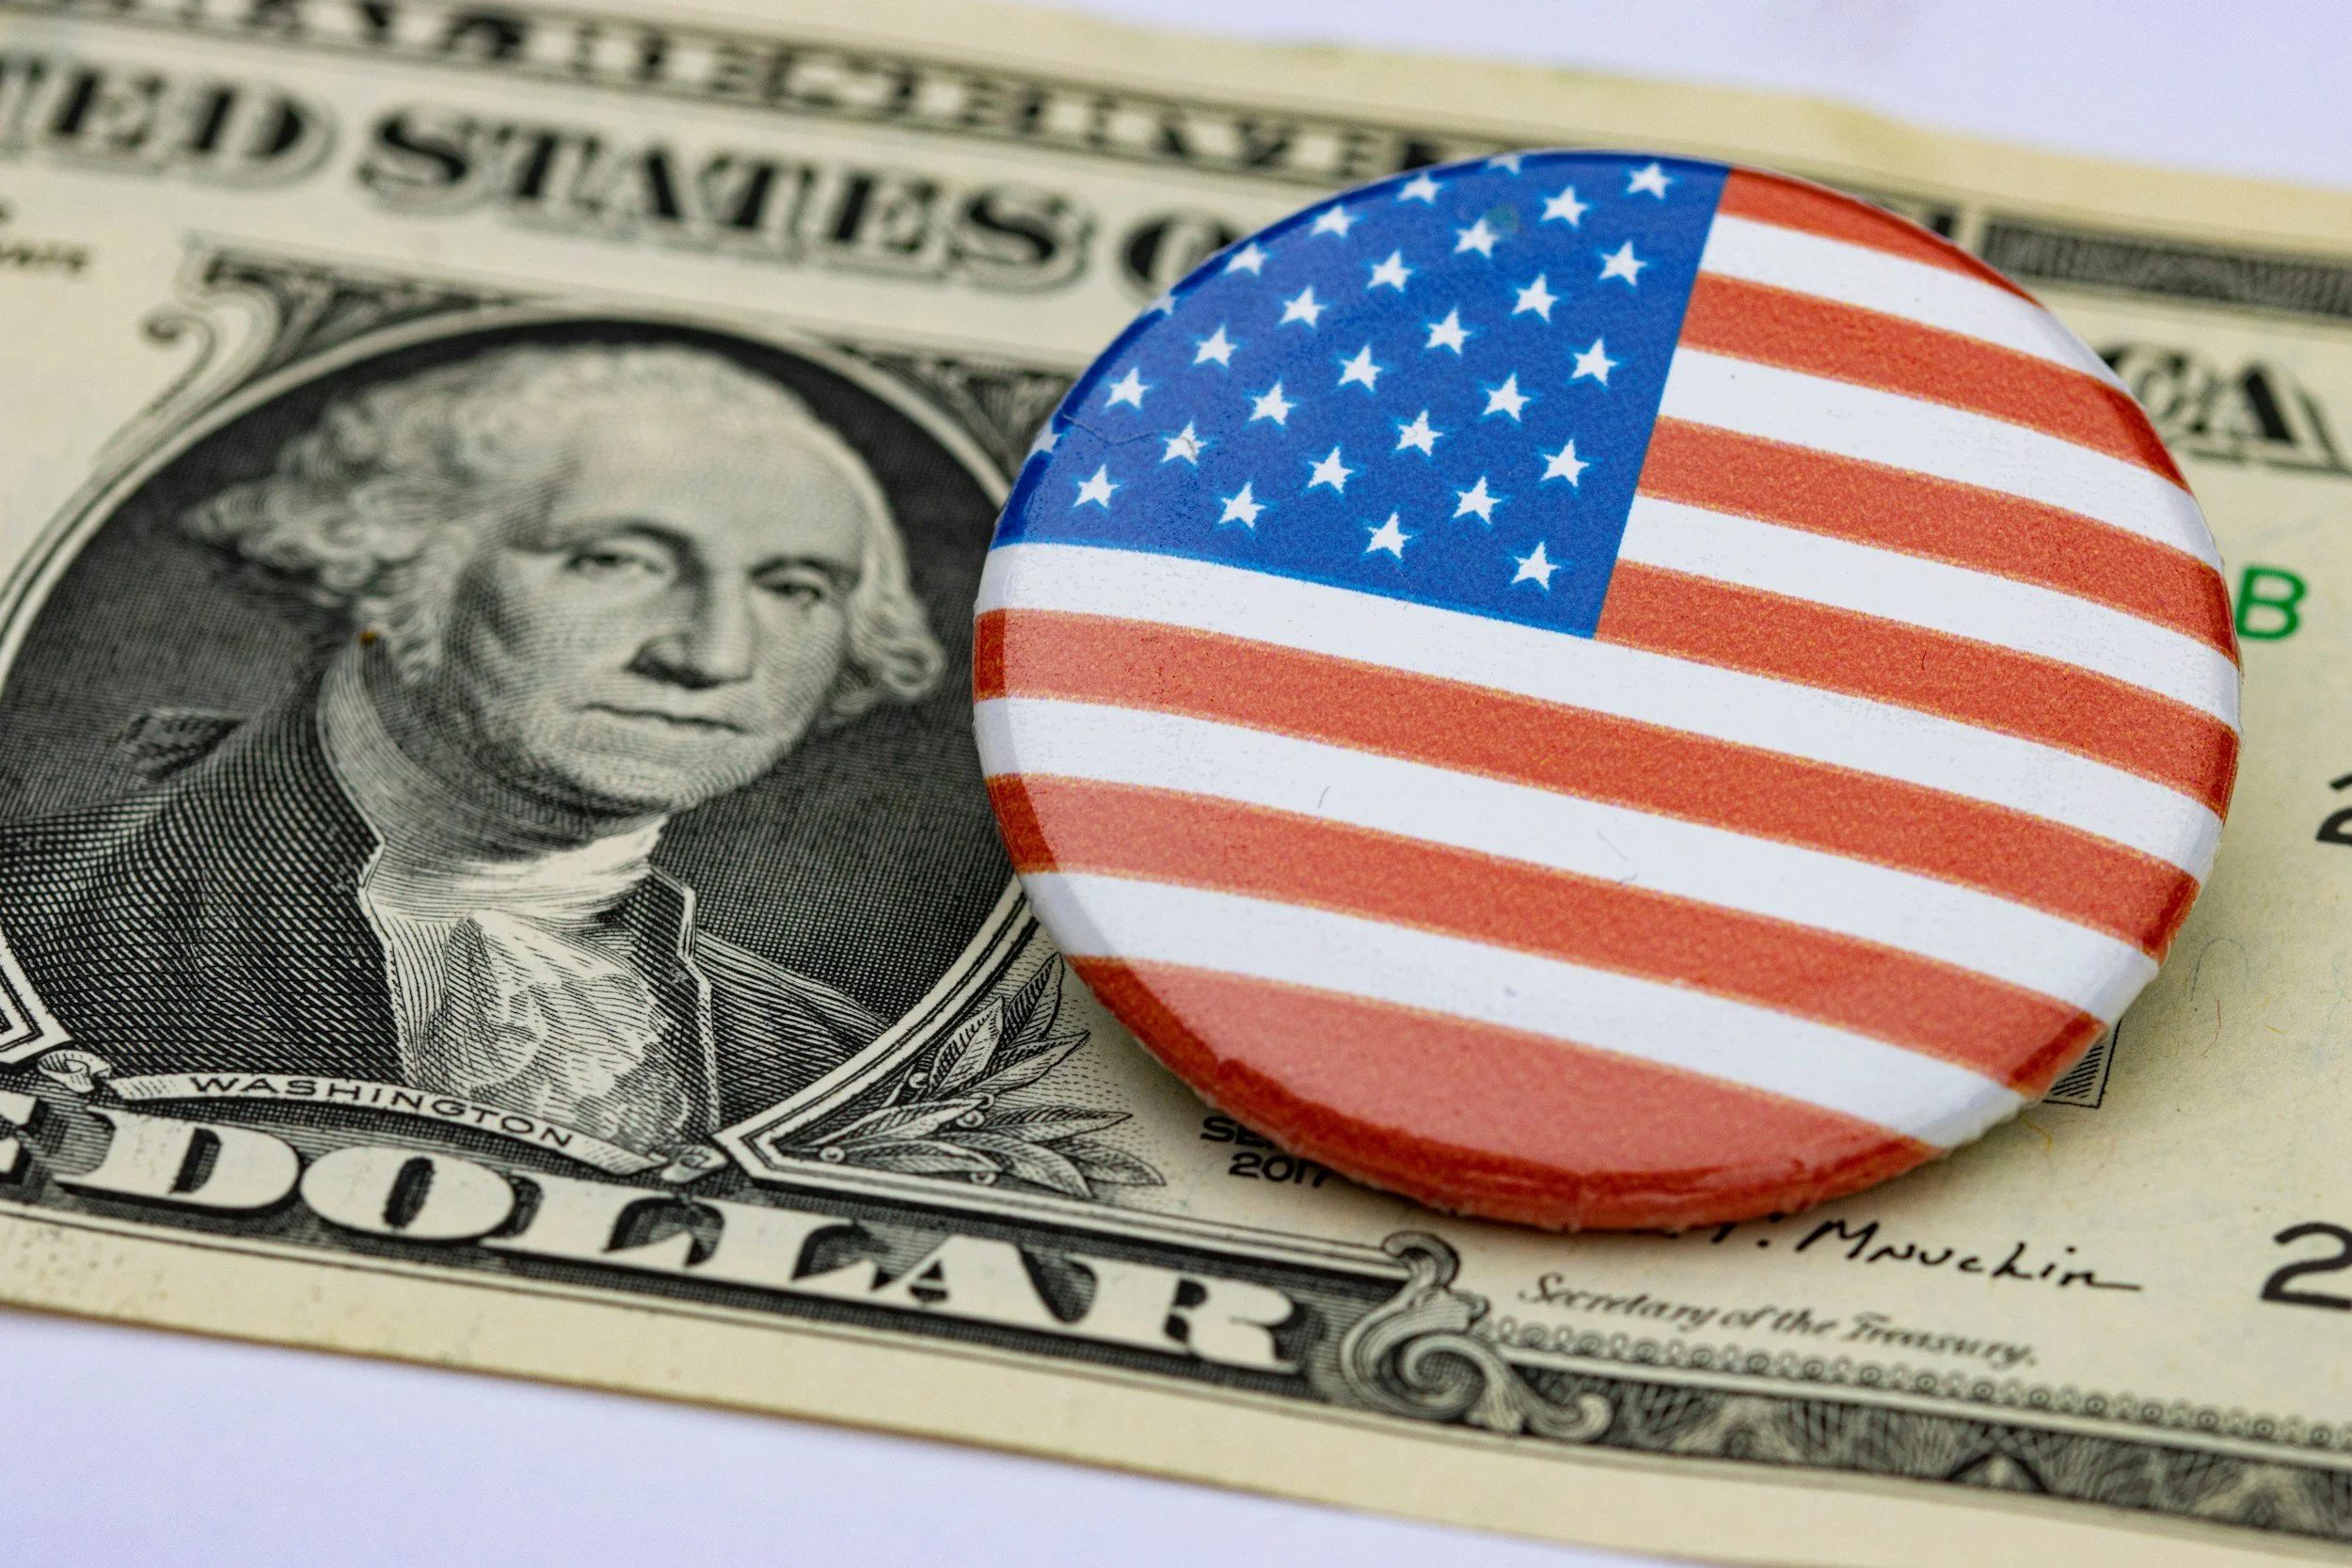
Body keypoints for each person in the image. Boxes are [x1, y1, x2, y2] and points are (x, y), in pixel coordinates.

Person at [0, 341, 946, 1154]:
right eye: (615, 560)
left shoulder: (828, 1055)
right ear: (394, 565)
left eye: (793, 587)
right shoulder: (33, 918)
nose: (710, 655)